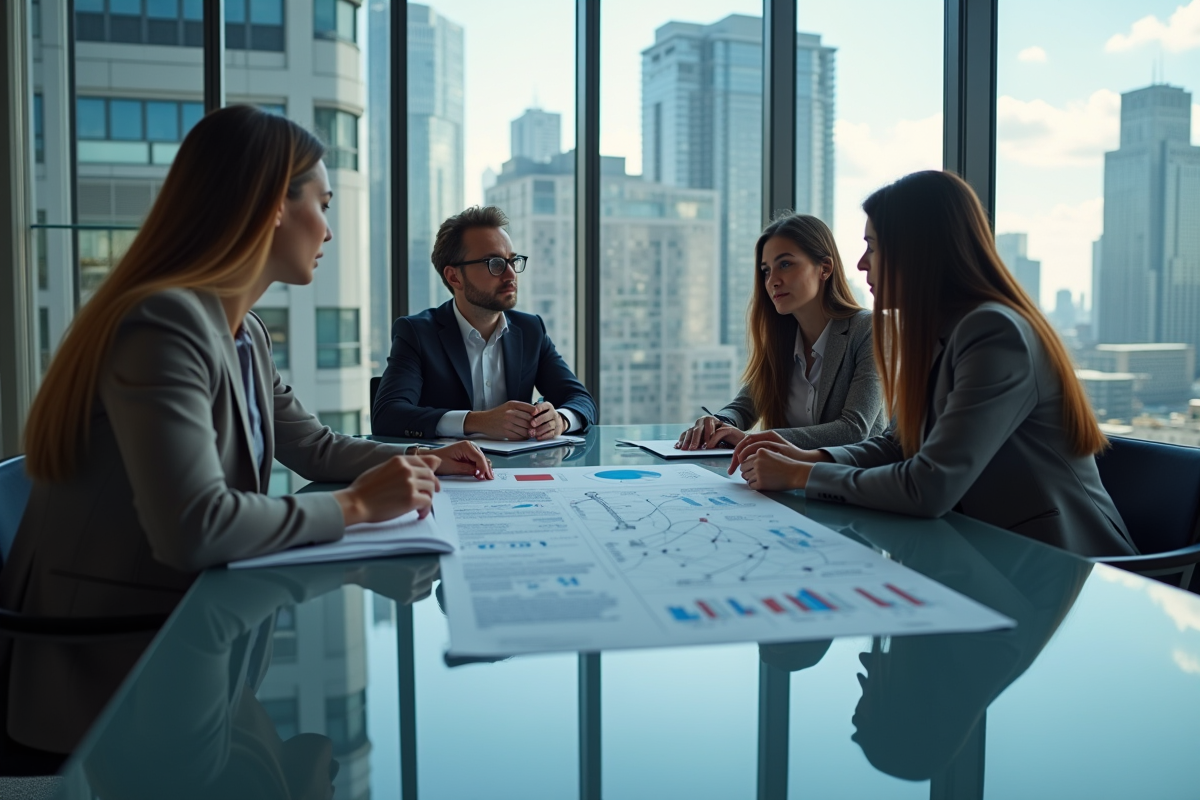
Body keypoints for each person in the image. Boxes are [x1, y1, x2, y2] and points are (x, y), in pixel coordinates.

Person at [3, 105, 492, 754]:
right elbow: (195, 527)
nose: (328, 229)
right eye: (322, 204)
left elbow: (313, 447)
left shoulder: (242, 332)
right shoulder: (164, 325)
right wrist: (356, 506)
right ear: (270, 207)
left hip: (193, 643)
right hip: (117, 664)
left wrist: (426, 457)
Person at [732, 170, 1136, 558]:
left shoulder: (995, 333)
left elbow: (930, 485)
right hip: (985, 554)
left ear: (917, 250)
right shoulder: (936, 333)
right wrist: (805, 457)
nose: (861, 264)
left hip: (1063, 566)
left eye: (873, 246)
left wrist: (801, 475)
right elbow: (897, 444)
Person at [371, 206, 597, 441]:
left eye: (512, 261)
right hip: (445, 463)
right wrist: (477, 421)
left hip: (518, 462)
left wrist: (560, 420)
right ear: (454, 277)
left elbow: (582, 401)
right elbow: (388, 415)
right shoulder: (417, 334)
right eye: (495, 263)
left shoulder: (530, 330)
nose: (511, 275)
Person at [676, 214, 885, 452]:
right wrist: (718, 423)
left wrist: (753, 440)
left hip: (854, 475)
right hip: (783, 475)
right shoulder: (783, 339)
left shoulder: (868, 330)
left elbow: (854, 430)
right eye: (766, 271)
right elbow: (744, 407)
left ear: (825, 268)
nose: (772, 281)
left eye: (785, 264)